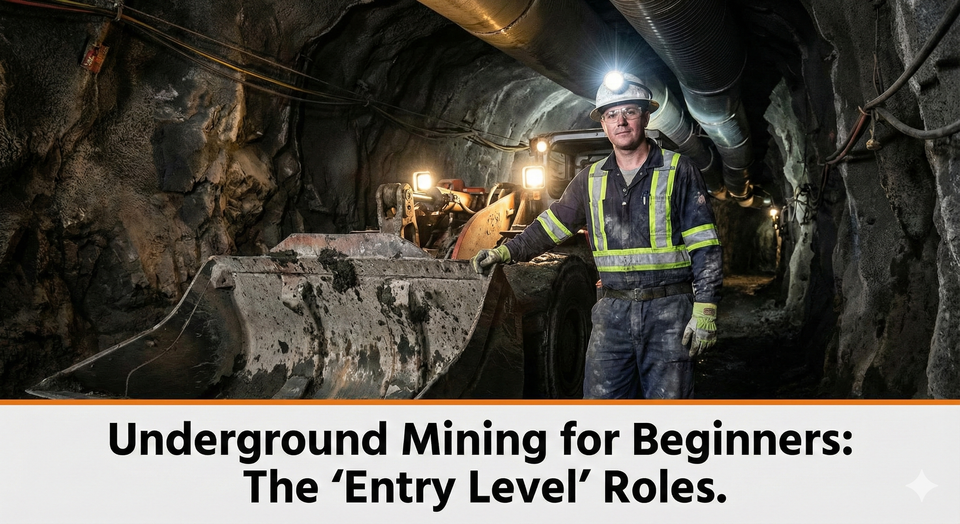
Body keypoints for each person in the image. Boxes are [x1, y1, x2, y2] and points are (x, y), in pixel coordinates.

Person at [470, 72, 722, 399]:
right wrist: (505, 252)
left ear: (645, 116)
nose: (621, 121)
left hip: (668, 311)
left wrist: (705, 310)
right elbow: (552, 225)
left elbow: (705, 245)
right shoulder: (589, 179)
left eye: (630, 111)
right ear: (603, 124)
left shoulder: (678, 170)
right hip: (611, 314)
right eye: (611, 114)